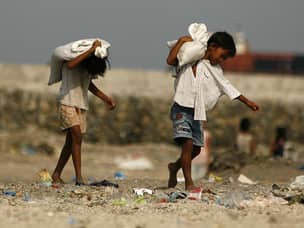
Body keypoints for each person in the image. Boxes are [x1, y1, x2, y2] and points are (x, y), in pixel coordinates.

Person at [166, 32, 259, 191]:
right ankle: (189, 183)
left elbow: (226, 86)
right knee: (187, 144)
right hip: (181, 107)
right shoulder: (189, 58)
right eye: (222, 56)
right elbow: (170, 60)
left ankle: (174, 167)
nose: (221, 60)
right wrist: (181, 41)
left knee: (195, 149)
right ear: (213, 46)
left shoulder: (214, 69)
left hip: (197, 112)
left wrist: (247, 101)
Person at [50, 40, 116, 185]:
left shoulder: (86, 67)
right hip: (67, 101)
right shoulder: (72, 62)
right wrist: (91, 50)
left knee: (71, 142)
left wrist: (106, 99)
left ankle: (56, 174)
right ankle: (79, 178)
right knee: (77, 136)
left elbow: (89, 85)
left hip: (81, 105)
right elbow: (70, 65)